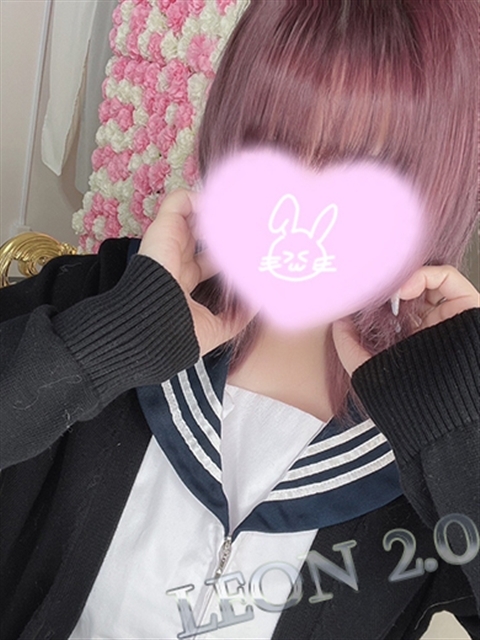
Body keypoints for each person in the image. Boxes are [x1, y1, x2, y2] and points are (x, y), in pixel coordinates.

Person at [1, 1, 479, 639]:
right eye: (274, 142)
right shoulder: (98, 299)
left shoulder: (438, 432)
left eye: (366, 168)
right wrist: (109, 343)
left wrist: (460, 428)